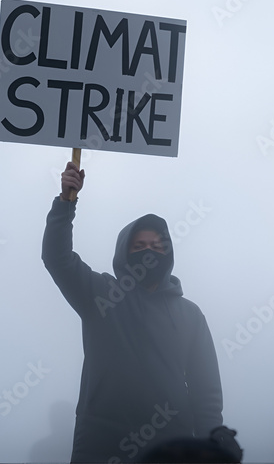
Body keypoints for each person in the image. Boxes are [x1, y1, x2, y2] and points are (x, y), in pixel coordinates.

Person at [42, 161, 242, 463]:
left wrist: (213, 437)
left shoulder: (190, 315)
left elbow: (206, 391)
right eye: (139, 246)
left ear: (169, 253)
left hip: (171, 444)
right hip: (100, 442)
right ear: (124, 252)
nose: (150, 252)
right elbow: (57, 258)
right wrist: (66, 202)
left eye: (157, 246)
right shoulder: (101, 295)